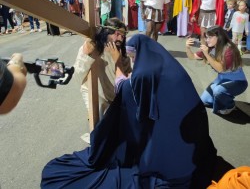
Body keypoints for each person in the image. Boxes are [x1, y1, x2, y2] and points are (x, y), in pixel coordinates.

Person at [41, 34, 217, 189]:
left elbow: (125, 89)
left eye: (134, 57)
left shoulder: (143, 74)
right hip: (191, 136)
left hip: (166, 150)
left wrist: (117, 62)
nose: (133, 61)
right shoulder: (167, 65)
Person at [73, 17, 131, 117]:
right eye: (117, 34)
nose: (120, 38)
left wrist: (118, 61)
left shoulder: (123, 55)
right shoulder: (91, 48)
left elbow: (126, 85)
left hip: (114, 98)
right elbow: (77, 79)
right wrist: (86, 56)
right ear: (106, 33)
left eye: (123, 35)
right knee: (100, 124)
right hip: (95, 95)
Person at [186, 25, 248, 115]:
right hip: (222, 79)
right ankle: (222, 98)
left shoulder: (229, 49)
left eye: (210, 37)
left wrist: (206, 54)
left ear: (219, 37)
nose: (207, 40)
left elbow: (220, 69)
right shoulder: (210, 47)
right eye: (207, 37)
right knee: (204, 101)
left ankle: (230, 105)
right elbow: (192, 57)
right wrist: (187, 48)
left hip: (238, 82)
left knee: (218, 91)